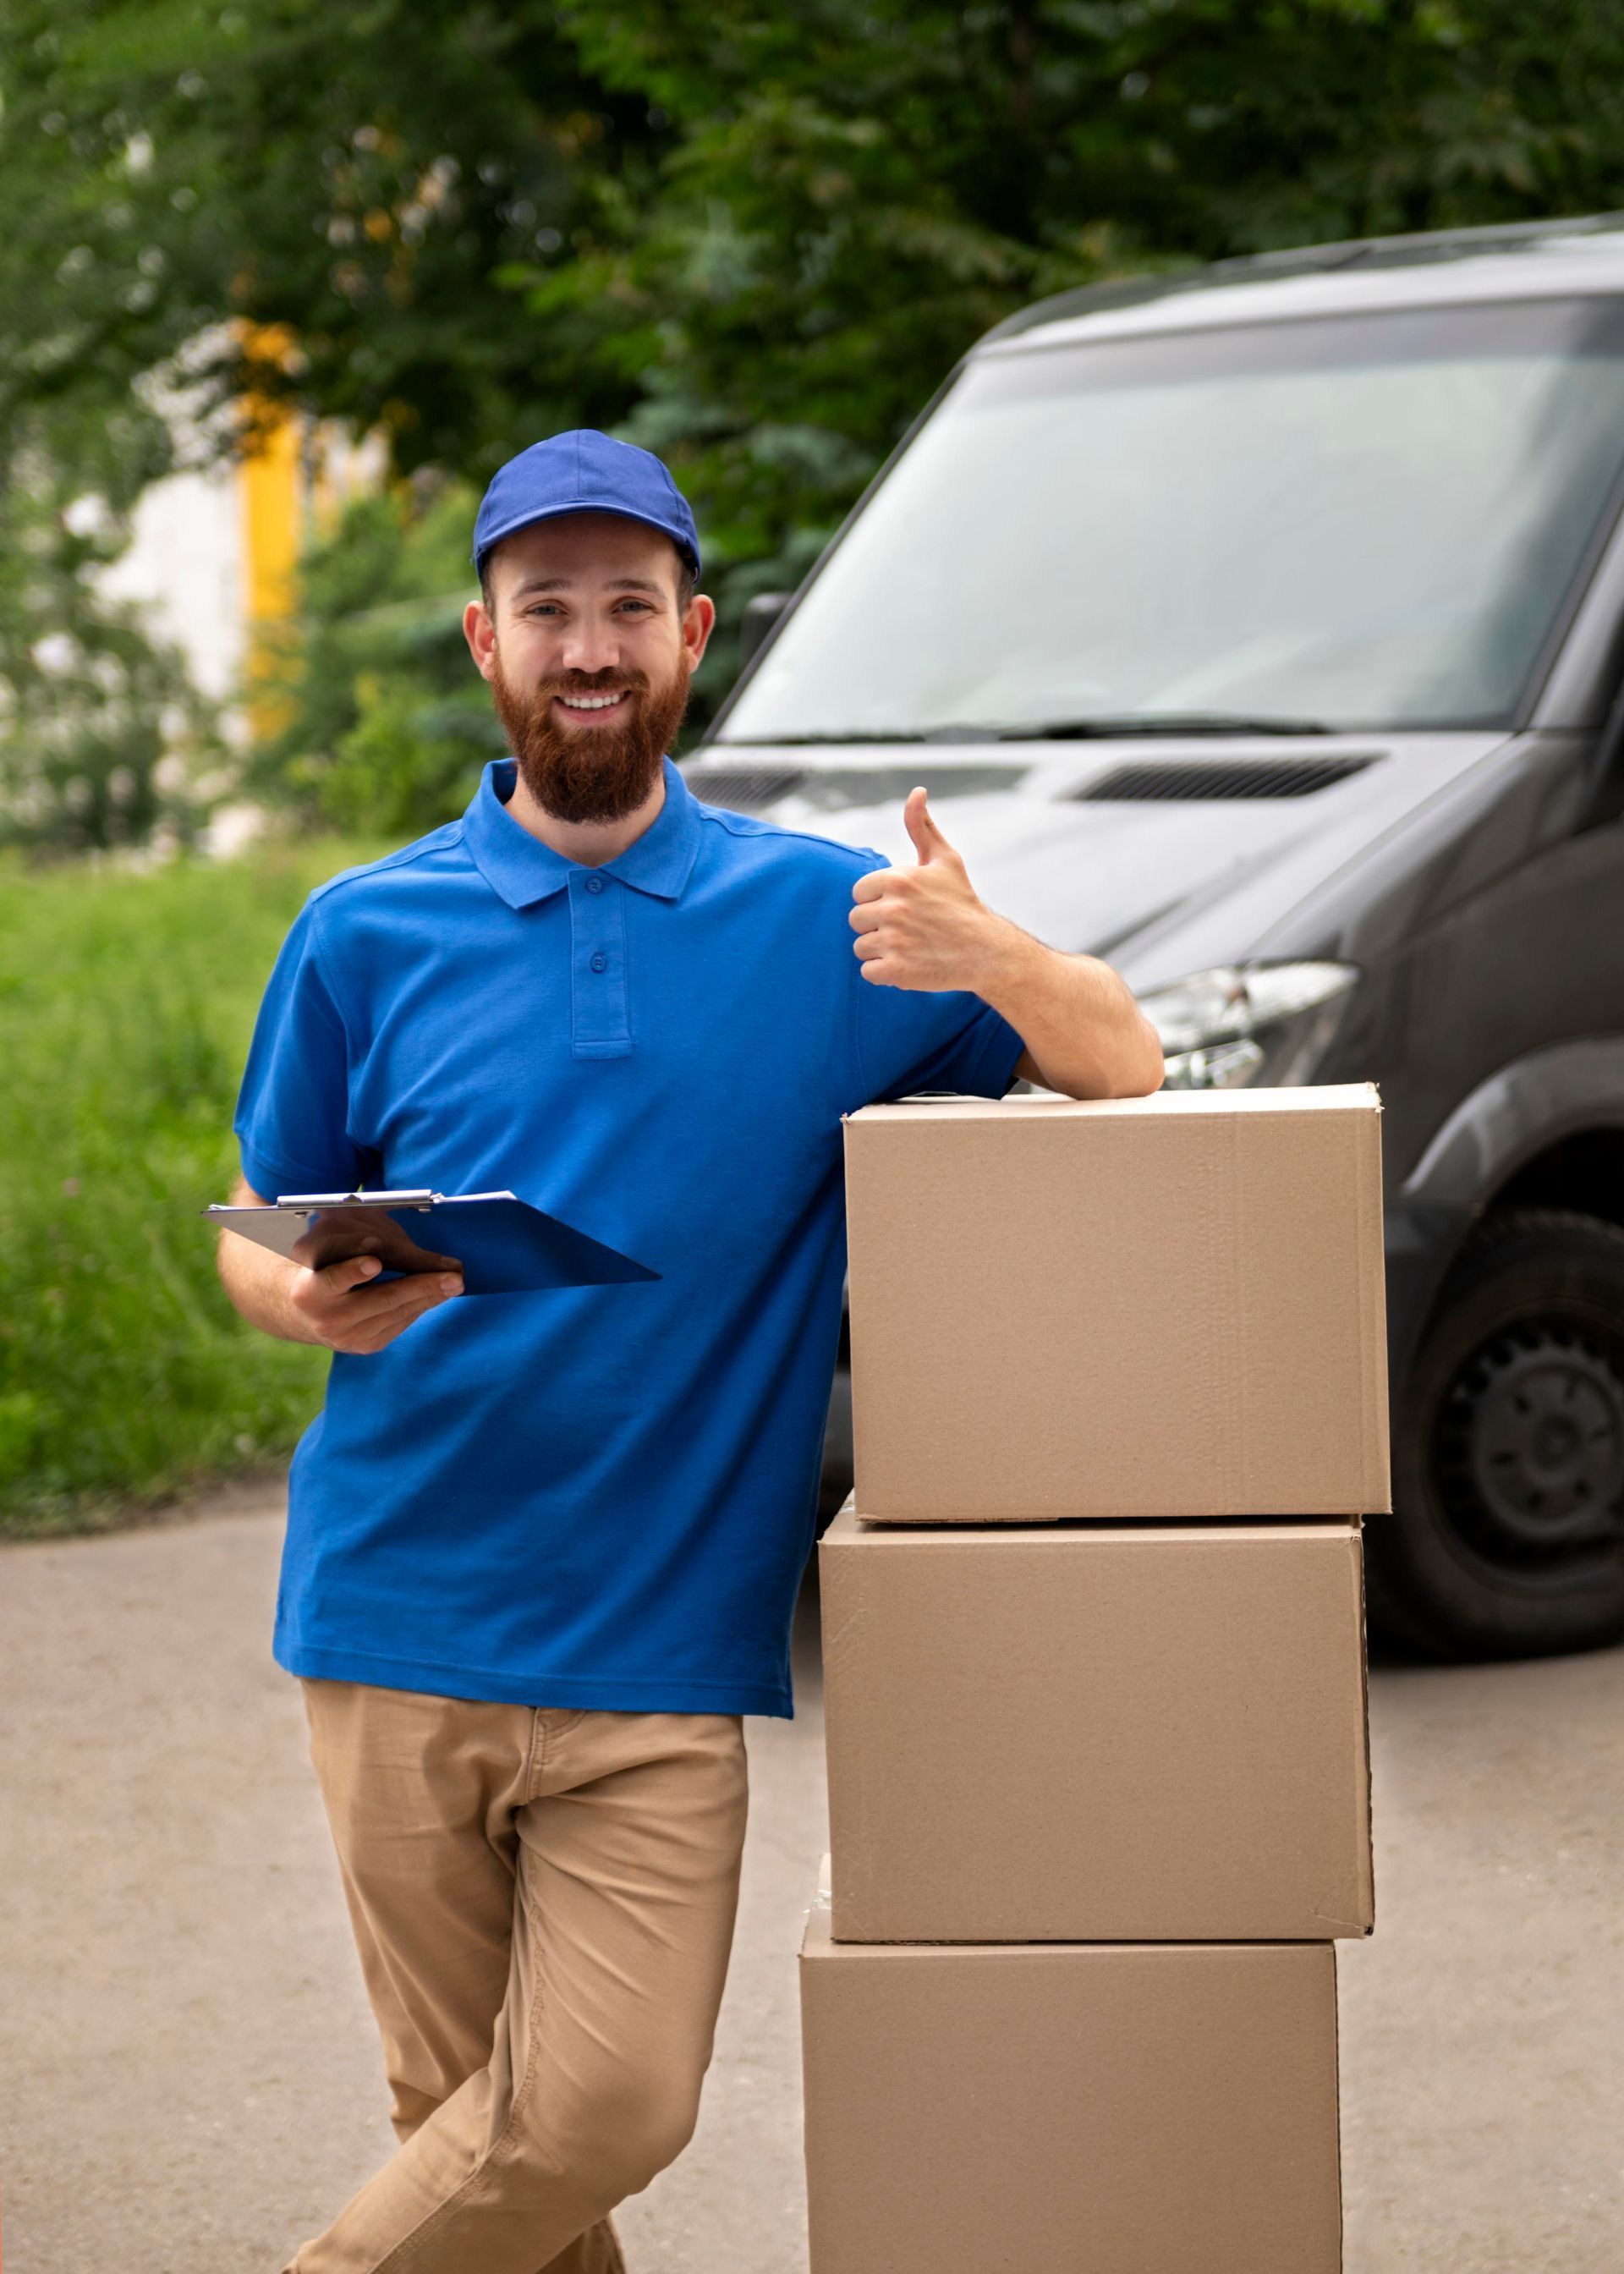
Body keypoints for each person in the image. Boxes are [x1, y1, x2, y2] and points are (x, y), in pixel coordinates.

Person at [217, 428, 1164, 2274]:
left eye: (628, 607)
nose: (590, 643)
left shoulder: (822, 924)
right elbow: (268, 1226)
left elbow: (1121, 1063)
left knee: (600, 2112)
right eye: (547, 605)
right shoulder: (360, 931)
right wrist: (301, 1291)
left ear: (692, 638)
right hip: (392, 1622)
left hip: (656, 1658)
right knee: (477, 2149)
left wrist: (992, 955)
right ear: (482, 644)